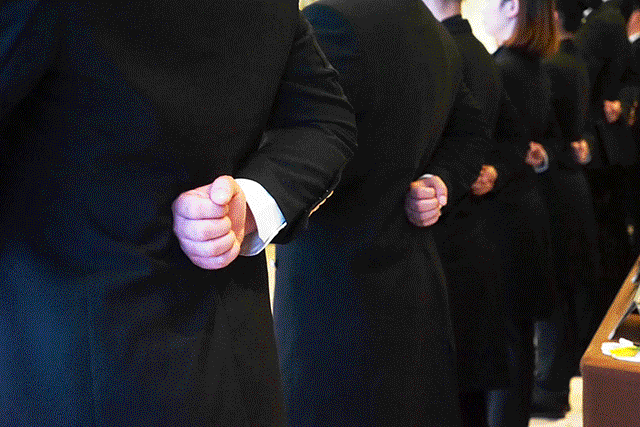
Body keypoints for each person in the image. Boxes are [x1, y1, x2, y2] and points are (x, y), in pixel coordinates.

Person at [0, 1, 357, 426]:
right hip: (233, 365)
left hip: (60, 370)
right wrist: (252, 204)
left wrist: (242, 213)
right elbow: (324, 120)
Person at [273, 0, 492, 425]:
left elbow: (296, 145)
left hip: (333, 300)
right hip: (415, 288)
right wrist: (439, 180)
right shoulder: (437, 35)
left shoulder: (329, 22)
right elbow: (472, 133)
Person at [422, 1, 546, 425]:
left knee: (458, 382)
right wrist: (493, 168)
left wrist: (482, 170)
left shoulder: (446, 53)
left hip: (455, 236)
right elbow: (516, 139)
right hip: (479, 233)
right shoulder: (480, 53)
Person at [482, 0, 561, 425]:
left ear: (512, 6)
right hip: (525, 211)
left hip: (503, 217)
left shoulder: (502, 68)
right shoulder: (532, 67)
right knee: (517, 342)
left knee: (505, 347)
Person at [531, 0, 601, 418]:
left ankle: (550, 387)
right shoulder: (576, 61)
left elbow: (550, 135)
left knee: (554, 293)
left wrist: (542, 154)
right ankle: (555, 382)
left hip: (554, 189)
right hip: (572, 186)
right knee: (568, 291)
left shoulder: (550, 65)